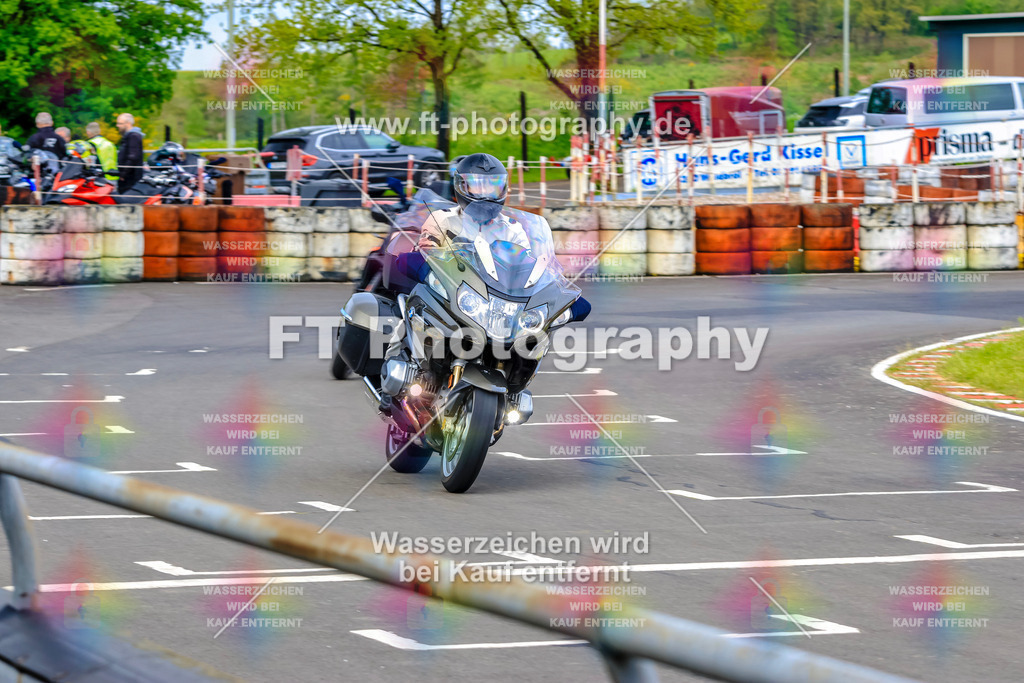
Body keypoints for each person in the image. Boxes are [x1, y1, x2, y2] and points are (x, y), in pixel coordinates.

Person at [115, 113, 144, 194]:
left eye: (120, 123)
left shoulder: (133, 136)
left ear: (128, 123)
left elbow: (133, 157)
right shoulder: (129, 136)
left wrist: (123, 174)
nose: (117, 125)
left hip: (130, 178)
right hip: (128, 176)